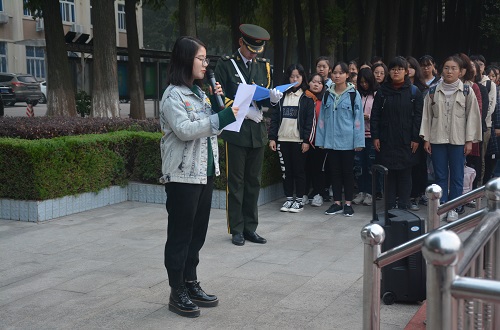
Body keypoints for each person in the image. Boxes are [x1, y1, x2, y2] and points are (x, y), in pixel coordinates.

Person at [160, 36, 238, 318]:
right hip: (182, 176)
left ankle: (190, 282)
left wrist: (218, 105)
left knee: (197, 234)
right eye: (201, 59)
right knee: (180, 236)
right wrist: (221, 118)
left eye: (206, 59)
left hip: (205, 173)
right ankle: (176, 289)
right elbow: (184, 129)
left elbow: (213, 129)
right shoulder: (173, 96)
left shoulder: (200, 93)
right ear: (185, 60)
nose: (206, 64)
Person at [215, 24, 282, 246]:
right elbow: (219, 98)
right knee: (236, 182)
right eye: (251, 49)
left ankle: (250, 228)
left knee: (254, 182)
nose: (254, 54)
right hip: (236, 131)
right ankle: (236, 229)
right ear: (240, 43)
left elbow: (264, 99)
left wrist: (271, 102)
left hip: (257, 131)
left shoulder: (264, 66)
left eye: (257, 51)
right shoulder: (225, 64)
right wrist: (244, 112)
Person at [420, 55, 482, 222]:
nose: (449, 71)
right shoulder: (432, 91)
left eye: (454, 68)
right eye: (447, 67)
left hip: (458, 140)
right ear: (441, 70)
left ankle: (455, 206)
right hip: (437, 139)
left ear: (461, 72)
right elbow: (427, 116)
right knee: (440, 175)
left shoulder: (467, 91)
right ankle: (443, 205)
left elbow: (473, 117)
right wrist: (426, 138)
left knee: (457, 175)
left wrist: (469, 140)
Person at [370, 56, 424, 210]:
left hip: (407, 140)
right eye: (393, 69)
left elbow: (418, 118)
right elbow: (375, 116)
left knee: (405, 173)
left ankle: (404, 205)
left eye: (400, 69)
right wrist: (376, 137)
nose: (396, 72)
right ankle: (390, 206)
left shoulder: (414, 92)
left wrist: (416, 138)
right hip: (387, 139)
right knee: (389, 174)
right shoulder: (382, 92)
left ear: (406, 72)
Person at [315, 61, 364, 217]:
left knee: (347, 173)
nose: (337, 75)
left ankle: (348, 203)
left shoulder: (353, 94)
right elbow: (322, 118)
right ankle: (337, 203)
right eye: (334, 73)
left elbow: (358, 120)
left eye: (340, 73)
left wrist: (358, 141)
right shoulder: (328, 93)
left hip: (347, 142)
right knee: (334, 172)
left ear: (347, 75)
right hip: (331, 141)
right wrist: (321, 141)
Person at [268, 64, 314, 213]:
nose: (295, 79)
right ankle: (289, 199)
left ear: (302, 78)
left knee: (299, 171)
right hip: (283, 140)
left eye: (298, 76)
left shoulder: (307, 97)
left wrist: (306, 140)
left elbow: (309, 121)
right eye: (292, 76)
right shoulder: (281, 96)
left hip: (299, 141)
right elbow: (274, 118)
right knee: (286, 171)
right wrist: (272, 138)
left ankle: (299, 200)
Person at [352, 68, 379, 206]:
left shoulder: (376, 95)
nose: (364, 85)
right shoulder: (356, 95)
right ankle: (361, 191)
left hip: (371, 135)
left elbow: (380, 114)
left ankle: (370, 193)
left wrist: (370, 117)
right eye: (361, 82)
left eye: (366, 82)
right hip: (358, 135)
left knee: (370, 166)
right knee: (359, 165)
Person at [406, 56, 429, 210]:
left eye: (410, 67)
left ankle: (417, 194)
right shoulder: (397, 87)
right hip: (402, 132)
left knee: (418, 165)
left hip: (419, 132)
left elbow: (423, 114)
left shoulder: (423, 89)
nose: (407, 70)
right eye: (404, 67)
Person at [306, 73, 327, 206]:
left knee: (318, 169)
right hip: (305, 140)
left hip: (320, 141)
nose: (316, 84)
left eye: (319, 83)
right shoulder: (304, 98)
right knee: (305, 168)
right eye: (314, 81)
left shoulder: (325, 100)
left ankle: (318, 193)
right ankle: (305, 193)